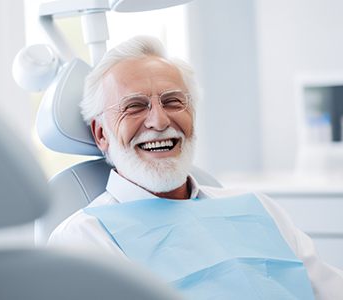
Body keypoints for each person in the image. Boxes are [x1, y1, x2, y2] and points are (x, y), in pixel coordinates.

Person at [49, 36, 343, 299]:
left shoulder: (258, 207)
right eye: (135, 106)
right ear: (101, 133)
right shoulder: (83, 239)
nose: (160, 122)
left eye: (173, 102)